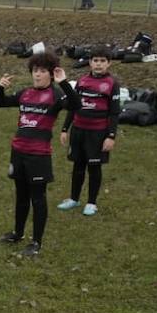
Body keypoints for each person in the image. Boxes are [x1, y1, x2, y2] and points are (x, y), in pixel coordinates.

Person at [0, 52, 78, 257]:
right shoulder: (25, 93)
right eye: (34, 71)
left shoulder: (57, 95)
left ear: (50, 74)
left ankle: (36, 242)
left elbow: (76, 106)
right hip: (18, 152)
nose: (37, 75)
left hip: (39, 156)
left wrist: (64, 82)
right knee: (21, 196)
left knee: (37, 199)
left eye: (42, 71)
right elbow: (1, 103)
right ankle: (17, 233)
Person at [58, 47, 119, 215]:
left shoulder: (112, 84)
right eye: (95, 61)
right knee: (78, 166)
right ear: (90, 63)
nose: (98, 64)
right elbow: (72, 106)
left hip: (97, 133)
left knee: (94, 168)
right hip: (78, 130)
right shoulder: (82, 81)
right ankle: (74, 199)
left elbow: (114, 113)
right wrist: (65, 129)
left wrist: (111, 136)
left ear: (109, 63)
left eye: (102, 61)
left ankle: (91, 202)